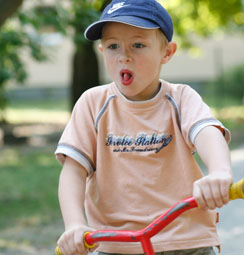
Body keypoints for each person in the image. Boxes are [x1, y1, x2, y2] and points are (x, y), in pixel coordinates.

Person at [55, 1, 233, 254]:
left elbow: (206, 131)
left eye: (138, 45)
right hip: (117, 243)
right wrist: (74, 224)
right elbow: (73, 171)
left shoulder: (181, 99)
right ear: (102, 50)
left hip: (185, 240)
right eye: (113, 46)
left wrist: (219, 171)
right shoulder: (92, 104)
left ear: (167, 53)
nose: (124, 56)